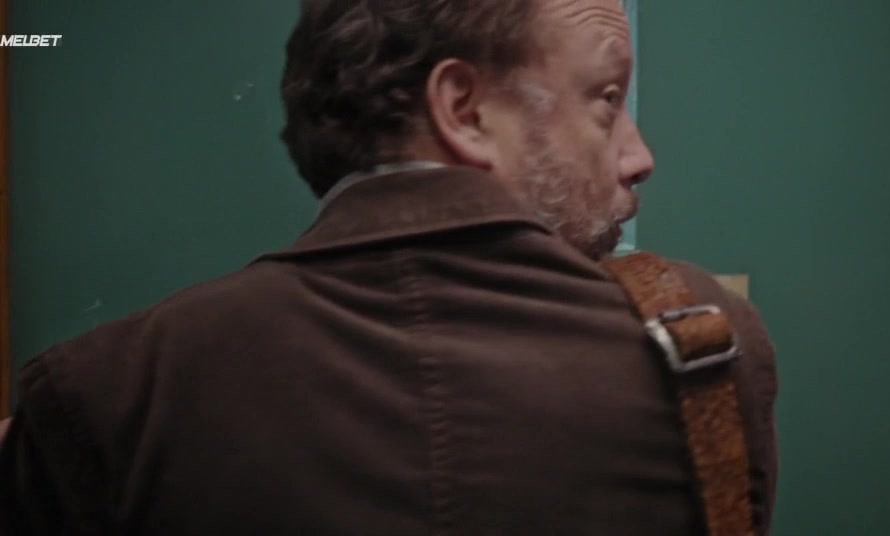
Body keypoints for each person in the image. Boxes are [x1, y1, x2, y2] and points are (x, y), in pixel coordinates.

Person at [0, 0, 778, 534]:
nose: (639, 157)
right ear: (464, 110)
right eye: (606, 98)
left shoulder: (103, 392)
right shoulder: (703, 344)